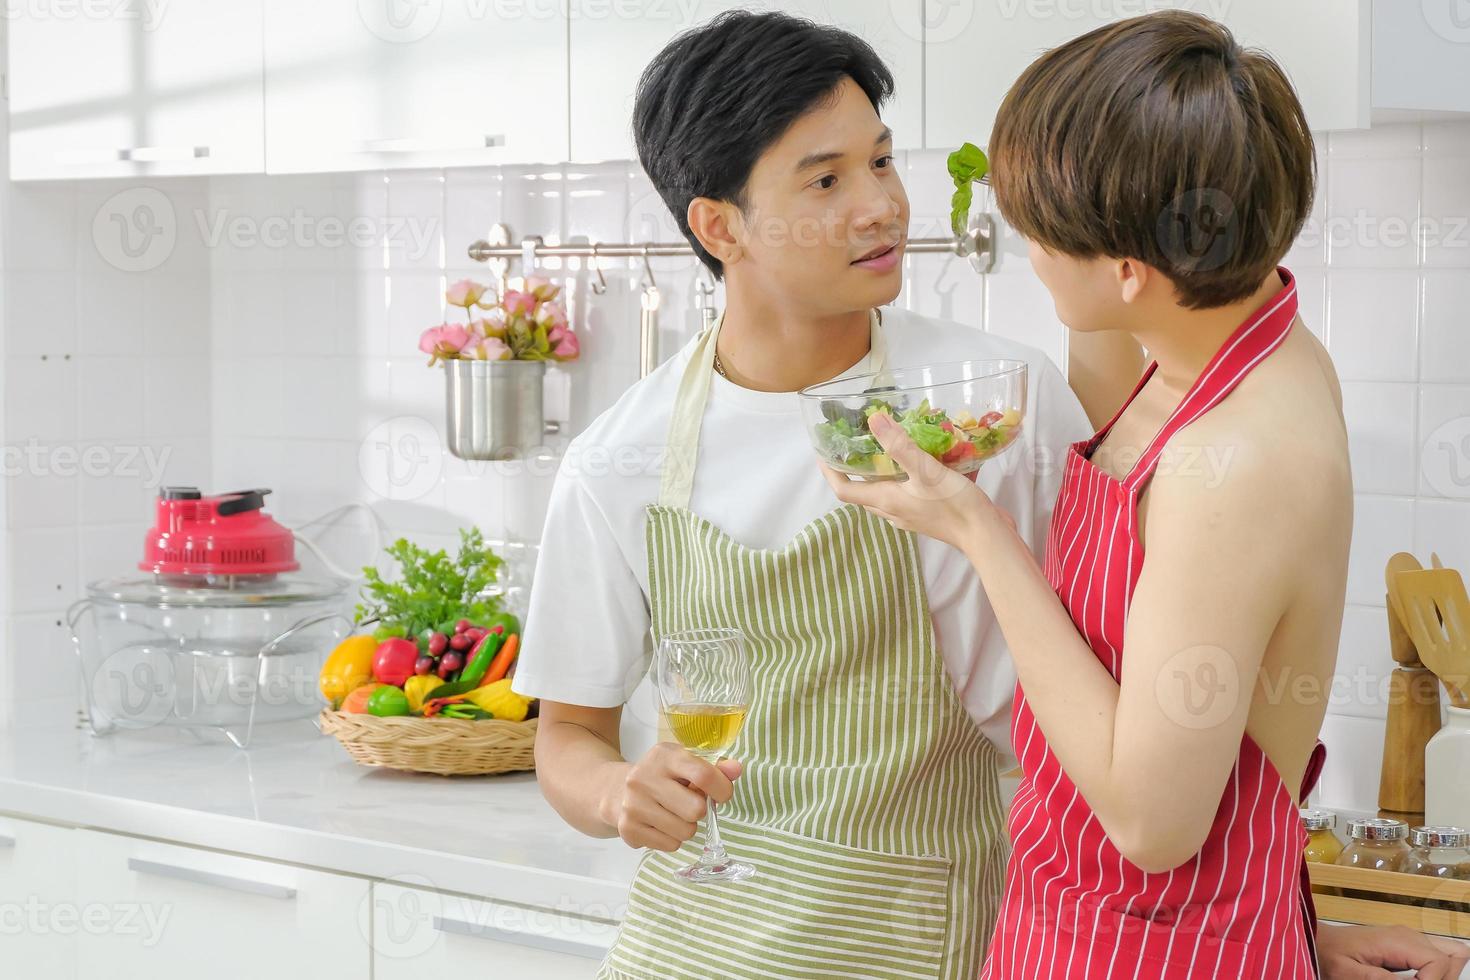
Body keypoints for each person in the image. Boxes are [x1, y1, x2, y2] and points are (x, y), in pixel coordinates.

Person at [825, 11, 1470, 979]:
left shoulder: (1238, 462)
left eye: (1038, 234)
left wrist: (979, 533)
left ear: (1129, 270)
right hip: (1127, 928)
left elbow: (1152, 818)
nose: (1030, 253)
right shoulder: (1222, 337)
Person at [510, 10, 1091, 980]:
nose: (881, 205)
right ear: (718, 223)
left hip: (926, 931)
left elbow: (1116, 706)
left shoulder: (1003, 401)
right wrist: (617, 792)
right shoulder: (620, 456)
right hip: (692, 943)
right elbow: (568, 735)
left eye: (882, 160)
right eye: (826, 179)